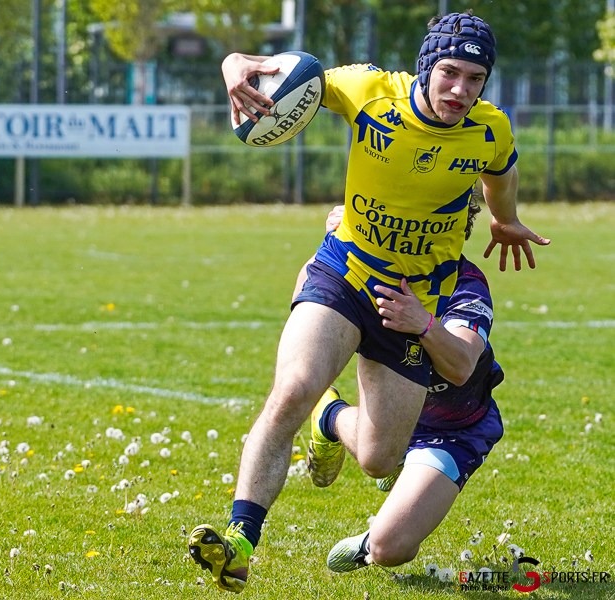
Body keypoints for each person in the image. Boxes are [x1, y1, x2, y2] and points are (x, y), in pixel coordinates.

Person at [188, 12, 547, 594]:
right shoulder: (369, 91)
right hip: (345, 270)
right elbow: (281, 71)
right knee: (293, 387)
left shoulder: (491, 130)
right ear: (427, 65)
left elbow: (500, 177)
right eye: (450, 72)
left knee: (381, 460)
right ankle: (239, 539)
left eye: (475, 79)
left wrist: (504, 221)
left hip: (413, 298)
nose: (460, 89)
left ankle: (329, 420)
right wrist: (235, 66)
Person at [297, 201, 504, 572]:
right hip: (394, 417)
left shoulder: (466, 284)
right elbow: (307, 294)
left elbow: (460, 367)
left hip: (452, 430)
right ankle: (329, 415)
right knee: (378, 461)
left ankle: (370, 538)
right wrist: (341, 240)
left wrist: (423, 323)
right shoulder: (373, 268)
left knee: (389, 549)